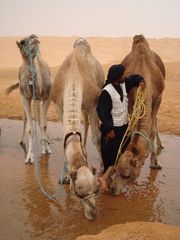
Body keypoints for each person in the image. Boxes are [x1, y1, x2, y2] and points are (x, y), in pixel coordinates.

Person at [97, 64, 145, 176]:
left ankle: (116, 171)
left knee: (121, 149)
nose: (125, 76)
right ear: (117, 77)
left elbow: (133, 79)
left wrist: (140, 81)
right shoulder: (106, 92)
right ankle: (107, 174)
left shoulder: (123, 84)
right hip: (112, 129)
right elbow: (102, 111)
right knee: (108, 152)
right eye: (122, 74)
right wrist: (109, 129)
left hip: (123, 126)